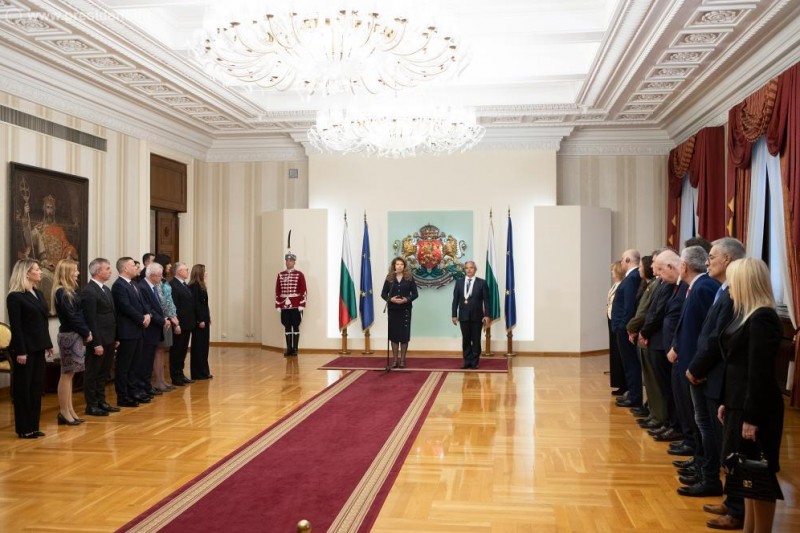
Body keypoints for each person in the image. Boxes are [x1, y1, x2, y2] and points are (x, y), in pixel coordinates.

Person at [719, 258, 784, 533]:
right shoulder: (747, 315)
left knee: (760, 473)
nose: (729, 287)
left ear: (746, 283)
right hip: (739, 404)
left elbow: (759, 374)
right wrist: (727, 402)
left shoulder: (763, 318)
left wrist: (751, 417)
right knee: (746, 471)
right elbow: (736, 365)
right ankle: (748, 529)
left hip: (757, 409)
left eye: (733, 282)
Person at [686, 237, 746, 529]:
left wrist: (696, 367)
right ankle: (729, 498)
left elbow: (715, 338)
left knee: (725, 442)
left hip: (717, 376)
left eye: (712, 256)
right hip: (711, 374)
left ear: (728, 260)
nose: (707, 261)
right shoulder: (723, 290)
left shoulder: (734, 295)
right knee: (717, 437)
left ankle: (735, 505)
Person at [668, 245, 720, 495]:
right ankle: (700, 464)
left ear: (685, 266)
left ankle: (705, 470)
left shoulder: (703, 287)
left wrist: (695, 366)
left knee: (703, 423)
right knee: (698, 420)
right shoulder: (696, 287)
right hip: (690, 363)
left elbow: (705, 333)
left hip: (697, 367)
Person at [6, 259, 53, 438]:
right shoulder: (15, 297)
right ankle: (24, 429)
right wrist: (21, 351)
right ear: (26, 273)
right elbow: (17, 327)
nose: (40, 272)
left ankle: (34, 426)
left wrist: (48, 344)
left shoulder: (38, 293)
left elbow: (43, 322)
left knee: (36, 387)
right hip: (24, 349)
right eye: (37, 269)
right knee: (23, 389)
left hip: (39, 347)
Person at [51, 259, 92, 426]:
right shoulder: (61, 292)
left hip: (75, 334)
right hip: (69, 335)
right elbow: (72, 316)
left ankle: (70, 410)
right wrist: (86, 332)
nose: (78, 273)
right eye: (75, 270)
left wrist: (85, 331)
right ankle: (64, 411)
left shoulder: (70, 290)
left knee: (71, 374)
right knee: (66, 374)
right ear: (67, 272)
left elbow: (79, 314)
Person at [81, 257, 120, 416]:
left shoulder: (106, 289)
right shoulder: (89, 291)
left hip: (109, 338)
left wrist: (116, 337)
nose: (110, 271)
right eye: (107, 269)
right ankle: (91, 405)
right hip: (98, 340)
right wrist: (96, 343)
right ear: (98, 271)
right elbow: (90, 320)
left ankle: (101, 401)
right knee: (93, 373)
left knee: (104, 373)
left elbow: (112, 315)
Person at [112, 256, 151, 407]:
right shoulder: (119, 286)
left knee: (135, 364)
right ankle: (123, 396)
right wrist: (141, 318)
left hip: (138, 330)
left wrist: (147, 314)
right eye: (133, 265)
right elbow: (125, 307)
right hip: (127, 331)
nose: (136, 268)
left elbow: (143, 303)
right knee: (124, 366)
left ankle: (133, 392)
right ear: (124, 268)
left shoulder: (134, 284)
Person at [611, 249, 642, 408]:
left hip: (625, 329)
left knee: (631, 364)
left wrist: (622, 326)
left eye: (623, 259)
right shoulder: (632, 277)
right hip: (624, 327)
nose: (621, 262)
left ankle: (634, 397)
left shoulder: (631, 278)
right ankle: (632, 394)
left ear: (629, 260)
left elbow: (629, 307)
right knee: (629, 363)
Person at [381, 257, 418, 368]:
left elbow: (415, 294)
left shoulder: (409, 278)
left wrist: (407, 299)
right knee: (394, 335)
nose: (399, 266)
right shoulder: (389, 278)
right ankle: (394, 361)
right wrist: (390, 299)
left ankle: (402, 360)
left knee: (404, 336)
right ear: (394, 266)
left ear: (404, 266)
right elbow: (383, 294)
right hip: (393, 311)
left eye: (401, 264)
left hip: (405, 310)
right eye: (397, 264)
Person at [451, 260, 490, 369]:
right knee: (466, 339)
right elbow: (455, 300)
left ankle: (475, 362)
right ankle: (467, 361)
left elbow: (486, 301)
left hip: (477, 316)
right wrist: (454, 315)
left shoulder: (482, 283)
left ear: (475, 269)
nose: (469, 270)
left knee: (476, 339)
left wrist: (487, 315)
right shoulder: (459, 282)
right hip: (463, 316)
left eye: (471, 267)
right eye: (467, 268)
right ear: (464, 270)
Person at [137, 262, 167, 399]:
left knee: (149, 360)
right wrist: (163, 321)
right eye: (160, 276)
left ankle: (147, 386)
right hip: (148, 330)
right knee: (144, 361)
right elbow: (148, 309)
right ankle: (143, 386)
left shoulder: (152, 287)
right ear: (152, 275)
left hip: (154, 329)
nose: (162, 278)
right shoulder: (143, 287)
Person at [151, 254, 177, 392]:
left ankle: (162, 380)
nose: (170, 266)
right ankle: (158, 381)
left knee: (162, 350)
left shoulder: (164, 281)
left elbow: (169, 301)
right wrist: (169, 317)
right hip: (162, 318)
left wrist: (173, 316)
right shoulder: (157, 283)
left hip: (167, 318)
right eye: (168, 264)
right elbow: (162, 301)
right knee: (158, 350)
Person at [275, 252, 307, 356]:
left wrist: (302, 304)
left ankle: (295, 349)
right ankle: (289, 348)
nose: (288, 262)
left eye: (291, 261)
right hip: (284, 305)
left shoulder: (299, 274)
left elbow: (303, 290)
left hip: (296, 304)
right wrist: (278, 305)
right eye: (287, 260)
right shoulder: (281, 275)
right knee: (287, 326)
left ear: (294, 262)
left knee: (296, 325)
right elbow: (278, 290)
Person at [170, 261, 197, 385]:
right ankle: (175, 376)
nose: (188, 271)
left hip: (187, 323)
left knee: (183, 350)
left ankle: (180, 374)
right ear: (179, 272)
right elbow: (174, 307)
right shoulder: (173, 285)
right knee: (177, 350)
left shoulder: (184, 284)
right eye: (186, 269)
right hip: (180, 324)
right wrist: (176, 324)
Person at [189, 264, 213, 379]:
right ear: (199, 273)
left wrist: (208, 317)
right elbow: (196, 305)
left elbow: (204, 305)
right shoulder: (194, 286)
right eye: (204, 271)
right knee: (198, 347)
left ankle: (204, 371)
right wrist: (200, 320)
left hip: (204, 319)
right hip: (200, 321)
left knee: (204, 347)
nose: (206, 273)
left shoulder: (201, 285)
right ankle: (198, 373)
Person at [607, 261, 626, 395]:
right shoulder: (616, 285)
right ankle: (618, 383)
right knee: (615, 353)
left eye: (613, 270)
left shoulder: (622, 286)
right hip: (611, 320)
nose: (612, 273)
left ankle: (622, 384)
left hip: (617, 322)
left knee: (619, 354)